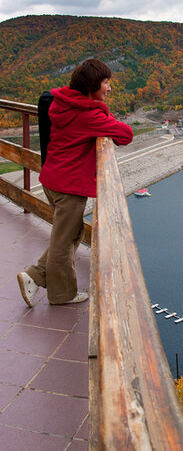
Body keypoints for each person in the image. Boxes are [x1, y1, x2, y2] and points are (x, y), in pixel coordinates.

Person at [17, 59, 133, 306]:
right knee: (63, 241)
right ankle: (62, 295)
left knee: (70, 233)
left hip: (53, 178)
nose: (109, 88)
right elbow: (126, 135)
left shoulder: (64, 104)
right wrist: (102, 112)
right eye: (106, 83)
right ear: (93, 86)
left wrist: (98, 108)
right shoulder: (87, 115)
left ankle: (34, 276)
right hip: (68, 184)